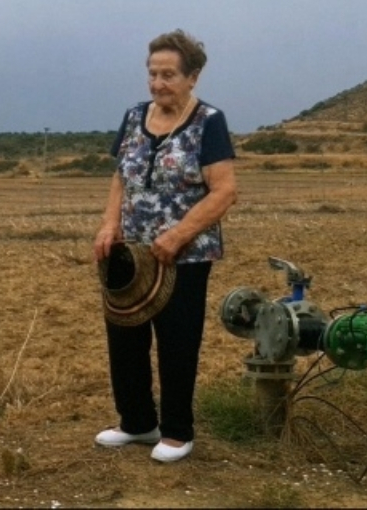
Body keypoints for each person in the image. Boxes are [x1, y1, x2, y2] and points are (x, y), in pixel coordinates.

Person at [91, 29, 238, 463]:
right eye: (153, 74)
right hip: (130, 252)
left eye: (168, 75)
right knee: (125, 335)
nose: (158, 83)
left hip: (184, 255)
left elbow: (224, 191)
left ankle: (177, 431)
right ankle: (137, 422)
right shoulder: (134, 117)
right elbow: (121, 177)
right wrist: (109, 224)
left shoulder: (209, 122)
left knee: (177, 341)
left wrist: (176, 236)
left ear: (192, 77)